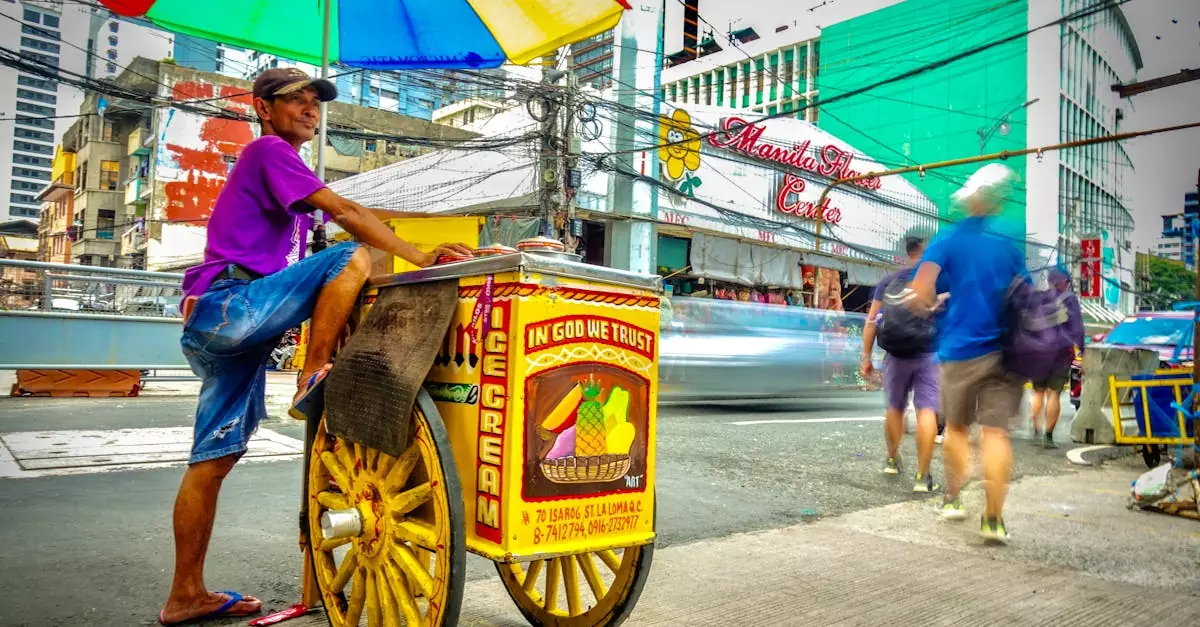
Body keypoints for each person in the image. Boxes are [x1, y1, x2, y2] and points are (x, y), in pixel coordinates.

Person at [160, 68, 472, 625]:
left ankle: (185, 594)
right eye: (294, 101)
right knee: (351, 256)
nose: (309, 110)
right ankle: (315, 371)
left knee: (213, 459)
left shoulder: (283, 171)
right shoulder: (268, 153)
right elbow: (348, 216)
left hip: (222, 322)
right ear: (263, 108)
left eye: (314, 103)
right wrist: (420, 255)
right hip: (230, 305)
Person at [908, 164, 1026, 545]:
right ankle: (993, 518)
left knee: (956, 429)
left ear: (967, 200)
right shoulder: (1009, 237)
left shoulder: (949, 238)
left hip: (960, 348)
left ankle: (954, 497)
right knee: (996, 433)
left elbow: (920, 290)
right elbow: (1022, 288)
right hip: (1006, 350)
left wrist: (931, 303)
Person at [861, 234, 942, 493]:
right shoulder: (936, 279)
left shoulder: (888, 281)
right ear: (925, 252)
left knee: (895, 408)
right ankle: (922, 476)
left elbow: (872, 321)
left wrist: (866, 357)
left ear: (908, 253)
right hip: (929, 354)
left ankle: (893, 460)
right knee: (926, 411)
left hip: (896, 355)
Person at [1028, 266, 1084, 448]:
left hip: (1038, 352)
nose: (1068, 285)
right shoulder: (1070, 300)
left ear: (1049, 281)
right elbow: (1077, 328)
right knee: (1054, 394)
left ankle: (1035, 432)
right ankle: (1048, 436)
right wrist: (1082, 351)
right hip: (1061, 352)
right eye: (1067, 282)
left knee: (1037, 391)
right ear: (1062, 282)